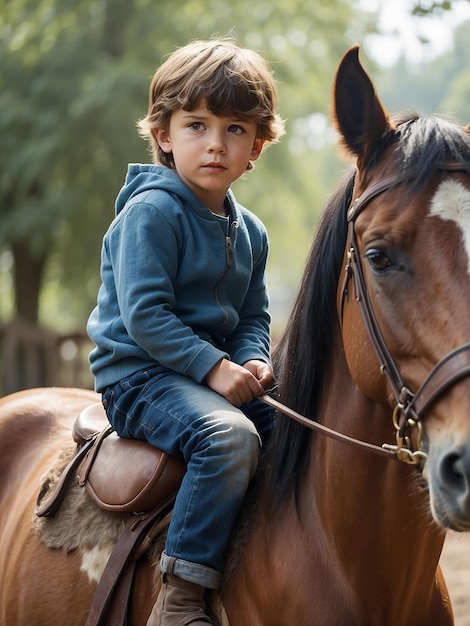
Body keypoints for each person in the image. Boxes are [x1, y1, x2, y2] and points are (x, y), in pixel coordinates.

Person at [87, 38, 285, 625]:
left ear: (256, 147)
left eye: (235, 129)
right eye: (197, 124)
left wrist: (250, 360)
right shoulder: (151, 213)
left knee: (302, 432)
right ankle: (180, 597)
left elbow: (253, 314)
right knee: (228, 439)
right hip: (142, 378)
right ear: (166, 135)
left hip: (211, 377)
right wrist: (214, 368)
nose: (216, 143)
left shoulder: (250, 231)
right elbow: (146, 316)